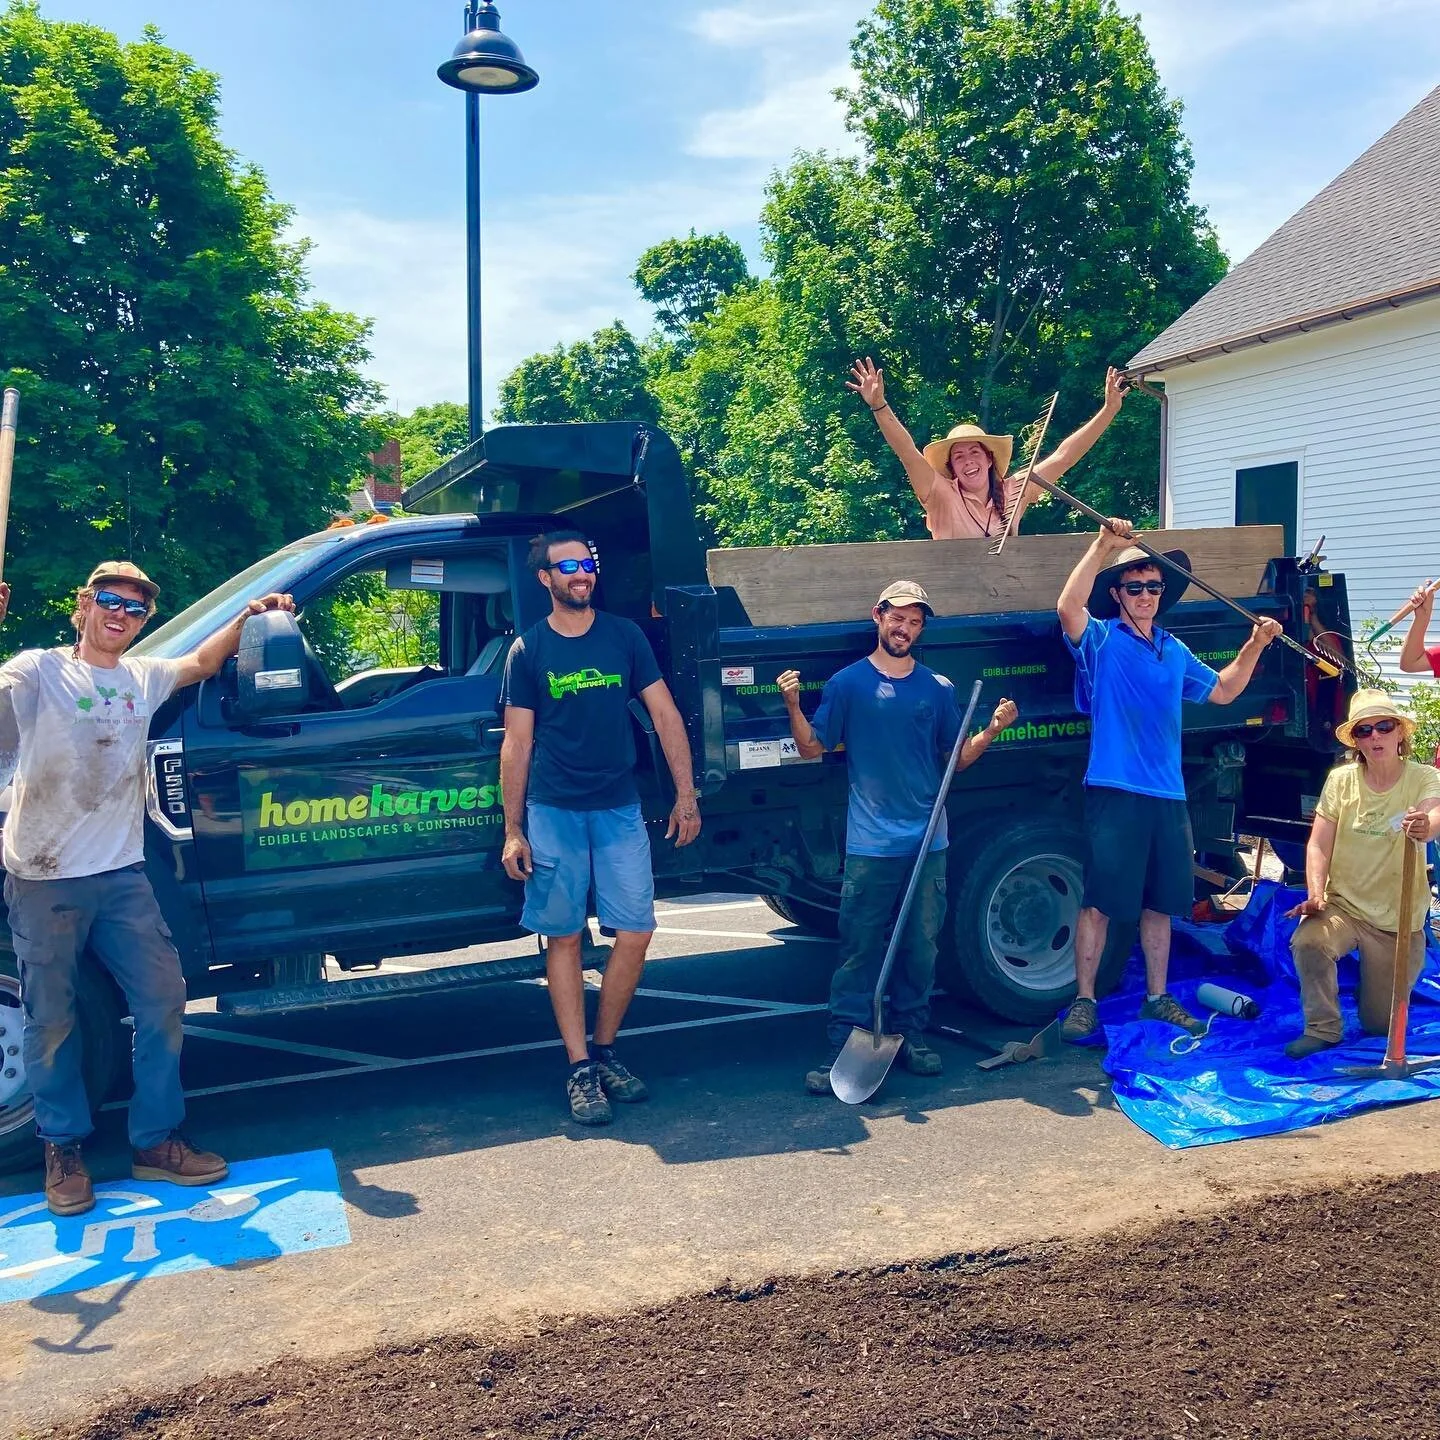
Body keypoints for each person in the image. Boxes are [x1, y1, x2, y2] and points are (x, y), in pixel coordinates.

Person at [0, 562, 295, 1216]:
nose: (120, 615)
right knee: (51, 1023)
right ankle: (63, 1149)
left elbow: (196, 664)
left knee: (163, 998)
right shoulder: (38, 671)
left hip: (121, 877)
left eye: (134, 610)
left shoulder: (140, 677)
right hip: (43, 878)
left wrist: (248, 619)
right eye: (108, 601)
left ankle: (155, 1140)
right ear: (83, 605)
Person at [777, 581, 1018, 1094]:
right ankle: (845, 1040)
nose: (903, 627)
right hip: (871, 844)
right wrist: (793, 704)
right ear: (878, 617)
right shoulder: (847, 684)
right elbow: (811, 749)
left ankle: (912, 1035)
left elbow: (955, 759)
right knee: (859, 948)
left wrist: (992, 730)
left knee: (920, 946)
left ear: (921, 629)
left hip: (929, 840)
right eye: (896, 617)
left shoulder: (938, 688)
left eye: (914, 620)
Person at [499, 531, 701, 1126]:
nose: (581, 573)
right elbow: (517, 742)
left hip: (618, 807)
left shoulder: (624, 636)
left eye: (587, 563)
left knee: (635, 930)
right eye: (568, 566)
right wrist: (514, 828)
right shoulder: (528, 650)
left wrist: (685, 796)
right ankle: (579, 1066)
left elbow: (665, 715)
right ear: (546, 579)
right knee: (563, 937)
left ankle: (607, 1048)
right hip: (555, 809)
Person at [1055, 523, 1281, 1042]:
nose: (1146, 595)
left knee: (1162, 904)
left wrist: (1254, 645)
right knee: (1101, 902)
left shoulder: (1174, 650)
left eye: (1154, 587)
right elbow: (1068, 607)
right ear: (1117, 594)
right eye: (1134, 587)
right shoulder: (1102, 640)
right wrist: (1101, 546)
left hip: (1168, 795)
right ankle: (1084, 1002)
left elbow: (1223, 692)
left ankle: (1157, 999)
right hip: (1114, 791)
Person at [1284, 691, 1440, 1058]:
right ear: (1355, 741)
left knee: (1377, 1025)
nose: (1375, 737)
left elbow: (1434, 817)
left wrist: (1424, 827)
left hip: (1397, 920)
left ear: (1400, 733)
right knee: (1308, 942)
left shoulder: (1423, 777)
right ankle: (1323, 1028)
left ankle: (1369, 991)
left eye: (1383, 727)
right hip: (1345, 907)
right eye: (1364, 731)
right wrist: (1316, 893)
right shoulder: (1341, 781)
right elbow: (1318, 844)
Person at [846, 359, 1129, 541]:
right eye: (958, 456)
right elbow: (906, 451)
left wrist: (1109, 410)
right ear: (952, 468)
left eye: (974, 453)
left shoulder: (1014, 491)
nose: (968, 461)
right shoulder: (939, 493)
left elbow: (1064, 456)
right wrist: (879, 405)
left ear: (989, 459)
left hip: (1006, 597)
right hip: (955, 602)